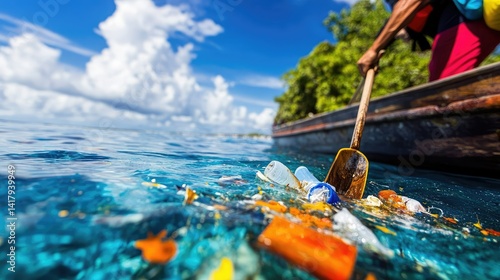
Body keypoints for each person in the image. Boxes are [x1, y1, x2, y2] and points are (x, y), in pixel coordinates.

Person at [357, 0, 500, 81]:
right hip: (472, 21)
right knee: (441, 85)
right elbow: (395, 20)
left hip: (469, 20)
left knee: (444, 87)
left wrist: (373, 50)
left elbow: (411, 3)